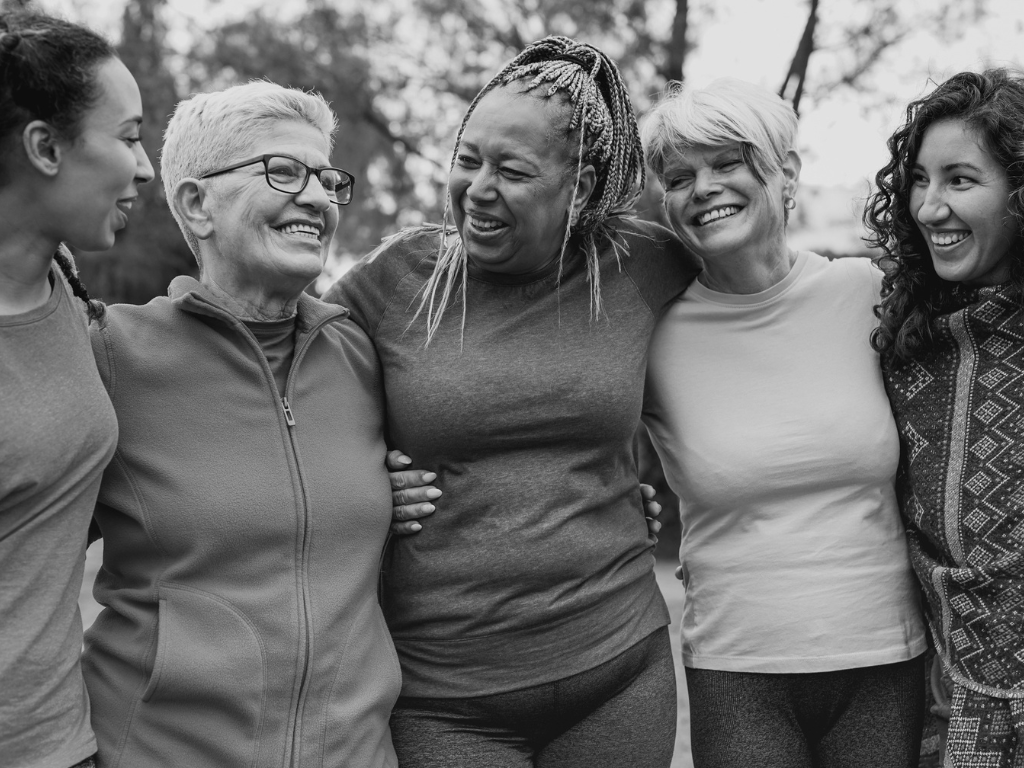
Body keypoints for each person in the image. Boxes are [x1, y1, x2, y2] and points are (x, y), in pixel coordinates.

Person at [324, 35, 701, 768]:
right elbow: (278, 374)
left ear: (582, 185)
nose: (478, 188)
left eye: (512, 170)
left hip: (618, 671)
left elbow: (758, 287)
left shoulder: (643, 264)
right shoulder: (391, 282)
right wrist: (362, 482)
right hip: (444, 697)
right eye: (468, 160)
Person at [80, 81, 402, 767]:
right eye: (282, 171)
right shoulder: (110, 354)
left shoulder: (365, 357)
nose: (316, 198)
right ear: (196, 205)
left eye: (326, 178)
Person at [638, 78, 928, 767]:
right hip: (739, 670)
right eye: (679, 176)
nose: (703, 187)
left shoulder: (870, 296)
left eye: (727, 163)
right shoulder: (647, 336)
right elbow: (564, 437)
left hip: (885, 660)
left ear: (786, 173)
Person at [0, 11, 154, 768]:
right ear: (46, 147)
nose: (147, 166)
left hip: (67, 740)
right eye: (128, 137)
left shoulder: (61, 282)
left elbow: (54, 497)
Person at [865, 68, 1024, 768]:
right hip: (946, 698)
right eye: (921, 181)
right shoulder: (903, 341)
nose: (931, 208)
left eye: (960, 180)